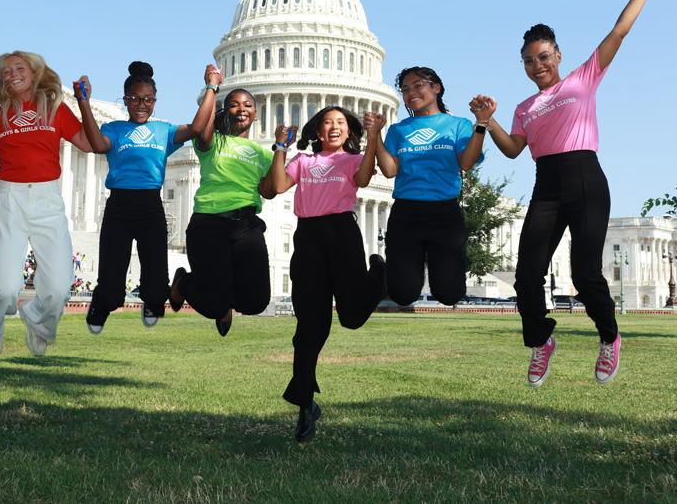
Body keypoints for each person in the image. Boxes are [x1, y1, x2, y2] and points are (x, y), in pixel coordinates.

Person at [484, 0, 662, 387]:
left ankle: (609, 337)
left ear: (558, 56)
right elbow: (512, 150)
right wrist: (488, 122)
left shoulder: (583, 78)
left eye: (543, 57)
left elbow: (618, 32)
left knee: (585, 273)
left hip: (584, 176)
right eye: (528, 61)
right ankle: (540, 342)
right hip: (545, 184)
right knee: (527, 275)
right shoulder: (524, 107)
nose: (536, 65)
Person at [75, 61, 221, 333]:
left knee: (157, 289)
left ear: (155, 101)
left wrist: (211, 86)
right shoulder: (114, 129)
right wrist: (83, 100)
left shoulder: (164, 130)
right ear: (126, 100)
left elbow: (199, 127)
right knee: (112, 290)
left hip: (151, 208)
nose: (141, 105)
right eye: (134, 99)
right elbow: (96, 145)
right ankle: (101, 302)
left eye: (148, 99)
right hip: (118, 208)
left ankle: (152, 302)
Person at [0, 51, 92, 356]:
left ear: (34, 73)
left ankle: (39, 321)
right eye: (5, 72)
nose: (11, 75)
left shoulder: (56, 111)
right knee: (5, 285)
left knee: (61, 285)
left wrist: (84, 101)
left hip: (48, 198)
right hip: (10, 198)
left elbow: (88, 144)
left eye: (18, 69)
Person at [271, 107, 386, 442]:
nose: (334, 127)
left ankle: (378, 273)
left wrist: (374, 135)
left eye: (341, 123)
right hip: (308, 239)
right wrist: (281, 147)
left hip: (342, 235)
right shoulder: (303, 161)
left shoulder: (352, 161)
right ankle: (305, 404)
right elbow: (278, 185)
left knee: (351, 318)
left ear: (348, 132)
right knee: (309, 327)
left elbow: (364, 179)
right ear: (318, 131)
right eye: (327, 122)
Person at [372, 67, 491, 308]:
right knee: (402, 294)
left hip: (444, 213)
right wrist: (374, 135)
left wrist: (481, 124)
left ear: (436, 88)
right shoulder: (398, 130)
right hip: (406, 213)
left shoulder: (458, 124)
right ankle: (379, 269)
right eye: (405, 89)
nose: (411, 93)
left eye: (418, 85)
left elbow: (466, 163)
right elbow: (389, 170)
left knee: (449, 294)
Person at [169, 88, 276, 335]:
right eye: (234, 104)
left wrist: (280, 149)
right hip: (209, 224)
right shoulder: (212, 141)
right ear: (224, 109)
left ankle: (224, 301)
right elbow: (200, 127)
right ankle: (184, 282)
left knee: (257, 302)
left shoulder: (264, 155)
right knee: (213, 304)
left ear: (256, 113)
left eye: (248, 105)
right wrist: (211, 88)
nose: (242, 109)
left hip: (247, 226)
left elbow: (270, 191)